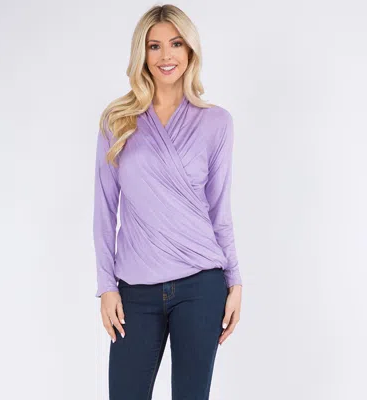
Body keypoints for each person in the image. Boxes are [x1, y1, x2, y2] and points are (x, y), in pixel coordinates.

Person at [93, 4, 243, 399]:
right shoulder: (117, 120)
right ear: (142, 53)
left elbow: (220, 210)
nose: (166, 56)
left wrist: (235, 281)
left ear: (190, 50)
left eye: (176, 44)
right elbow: (104, 210)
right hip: (134, 290)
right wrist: (106, 286)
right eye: (154, 45)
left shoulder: (217, 122)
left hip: (201, 285)